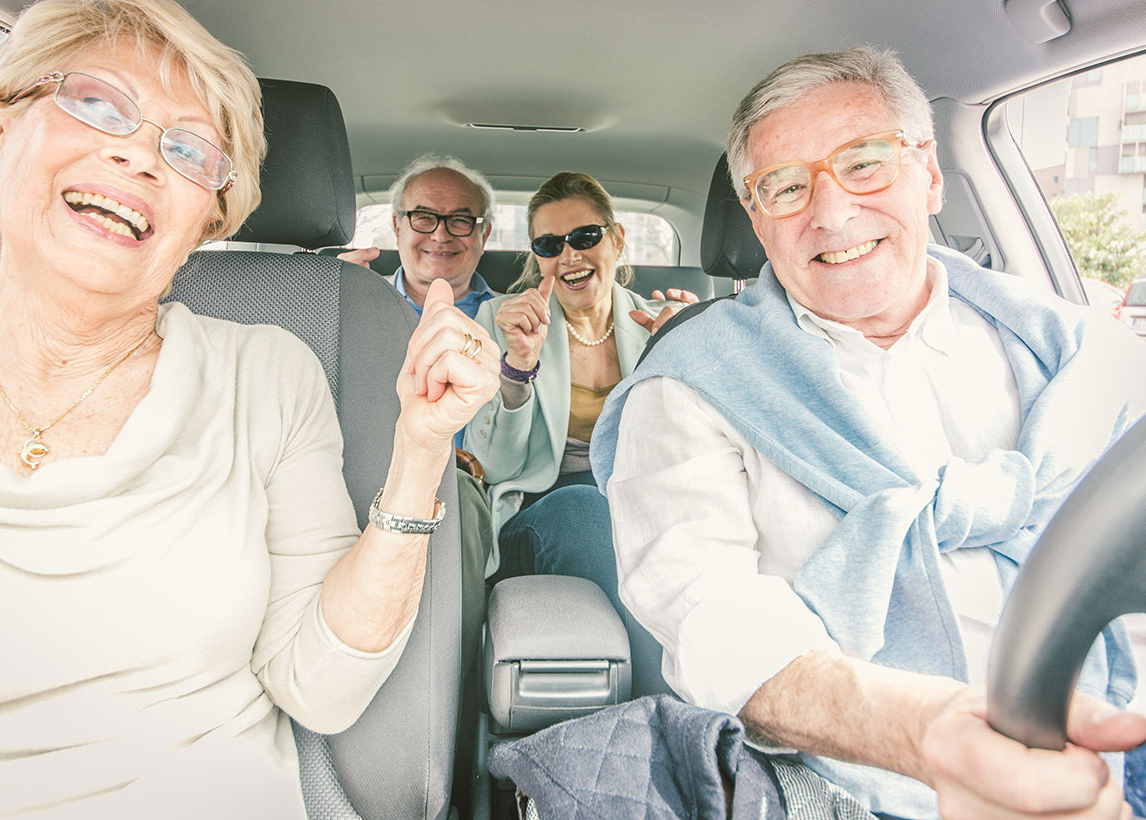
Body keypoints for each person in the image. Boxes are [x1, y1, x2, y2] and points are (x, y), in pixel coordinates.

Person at [0, 0, 498, 819]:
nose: (138, 158)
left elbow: (320, 683)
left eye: (189, 151)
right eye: (98, 105)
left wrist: (421, 446)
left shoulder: (268, 375)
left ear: (208, 219)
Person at [590, 47, 1146, 817]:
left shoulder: (1085, 357)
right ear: (756, 217)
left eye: (864, 164)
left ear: (930, 173)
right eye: (785, 186)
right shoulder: (688, 386)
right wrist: (926, 735)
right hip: (856, 781)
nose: (831, 212)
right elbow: (715, 618)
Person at [465, 171, 696, 637]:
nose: (569, 255)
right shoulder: (502, 320)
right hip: (539, 507)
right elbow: (494, 464)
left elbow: (689, 459)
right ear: (537, 257)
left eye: (585, 237)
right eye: (549, 245)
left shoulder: (662, 325)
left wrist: (685, 363)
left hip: (639, 505)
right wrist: (518, 365)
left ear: (616, 240)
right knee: (584, 508)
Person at [336, 154, 498, 320]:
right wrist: (332, 303)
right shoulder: (352, 300)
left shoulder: (517, 316)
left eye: (460, 220)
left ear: (484, 236)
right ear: (398, 228)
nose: (440, 236)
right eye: (424, 218)